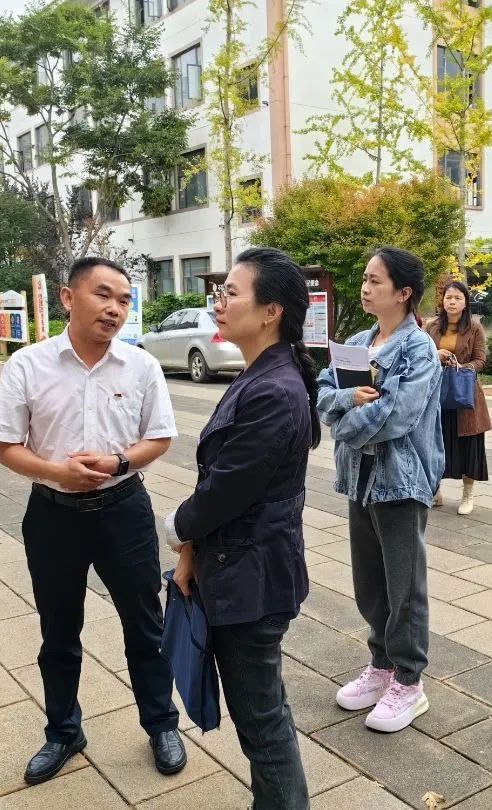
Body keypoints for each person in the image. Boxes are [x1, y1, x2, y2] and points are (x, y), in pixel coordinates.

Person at [0, 257, 185, 785]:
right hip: (53, 517)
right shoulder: (27, 365)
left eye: (123, 299)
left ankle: (161, 722)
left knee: (145, 624)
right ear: (68, 298)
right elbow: (7, 446)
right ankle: (63, 731)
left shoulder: (140, 366)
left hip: (125, 511)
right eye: (103, 295)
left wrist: (120, 462)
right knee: (58, 631)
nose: (115, 309)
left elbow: (159, 437)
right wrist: (56, 471)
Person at [167, 248, 316, 809]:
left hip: (252, 580)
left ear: (271, 310)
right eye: (220, 293)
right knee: (263, 714)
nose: (219, 304)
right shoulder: (261, 375)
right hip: (236, 568)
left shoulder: (275, 390)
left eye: (231, 293)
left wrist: (176, 528)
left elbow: (226, 489)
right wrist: (191, 556)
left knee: (262, 725)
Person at [317, 246, 443, 733]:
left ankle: (410, 684)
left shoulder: (418, 350)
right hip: (359, 480)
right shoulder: (356, 340)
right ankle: (381, 666)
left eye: (375, 281)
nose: (365, 288)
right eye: (365, 279)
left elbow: (397, 415)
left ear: (403, 293)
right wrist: (347, 400)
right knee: (369, 582)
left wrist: (343, 425)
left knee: (403, 586)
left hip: (401, 481)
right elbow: (324, 394)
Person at [425, 281, 491, 515]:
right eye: (448, 297)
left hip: (465, 397)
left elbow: (481, 360)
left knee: (468, 445)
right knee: (435, 443)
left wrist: (461, 366)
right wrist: (435, 355)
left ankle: (468, 494)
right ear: (442, 301)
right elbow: (420, 355)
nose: (452, 302)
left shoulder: (474, 328)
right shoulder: (431, 327)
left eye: (457, 298)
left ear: (465, 303)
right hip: (437, 394)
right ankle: (435, 491)